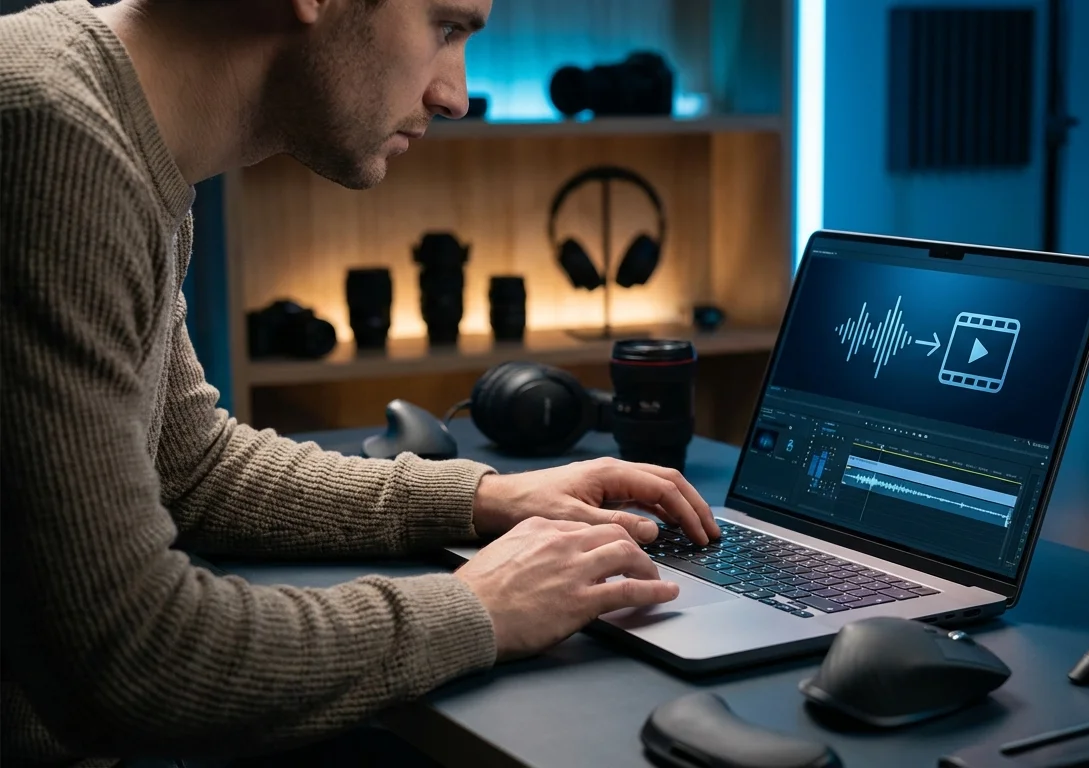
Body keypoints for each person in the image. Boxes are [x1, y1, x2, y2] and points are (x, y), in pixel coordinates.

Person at [0, 2, 721, 767]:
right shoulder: (51, 133)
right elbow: (133, 658)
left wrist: (480, 498)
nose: (455, 94)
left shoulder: (115, 131)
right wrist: (478, 606)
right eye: (446, 28)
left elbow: (187, 465)